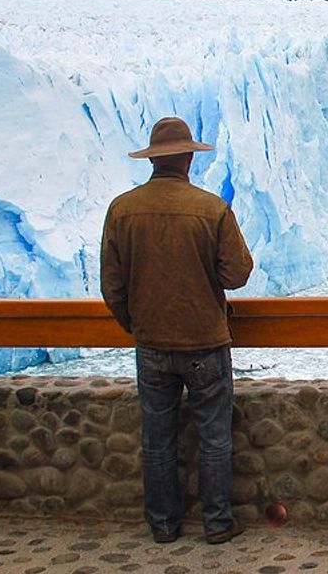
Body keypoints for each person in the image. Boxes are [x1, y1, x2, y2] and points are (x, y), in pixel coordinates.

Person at [100, 117, 253, 544]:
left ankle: (164, 524)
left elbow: (111, 285)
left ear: (154, 160)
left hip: (150, 342)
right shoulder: (212, 210)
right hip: (205, 339)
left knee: (158, 438)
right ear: (187, 157)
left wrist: (137, 323)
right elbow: (238, 272)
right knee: (214, 436)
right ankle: (218, 522)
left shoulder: (121, 210)